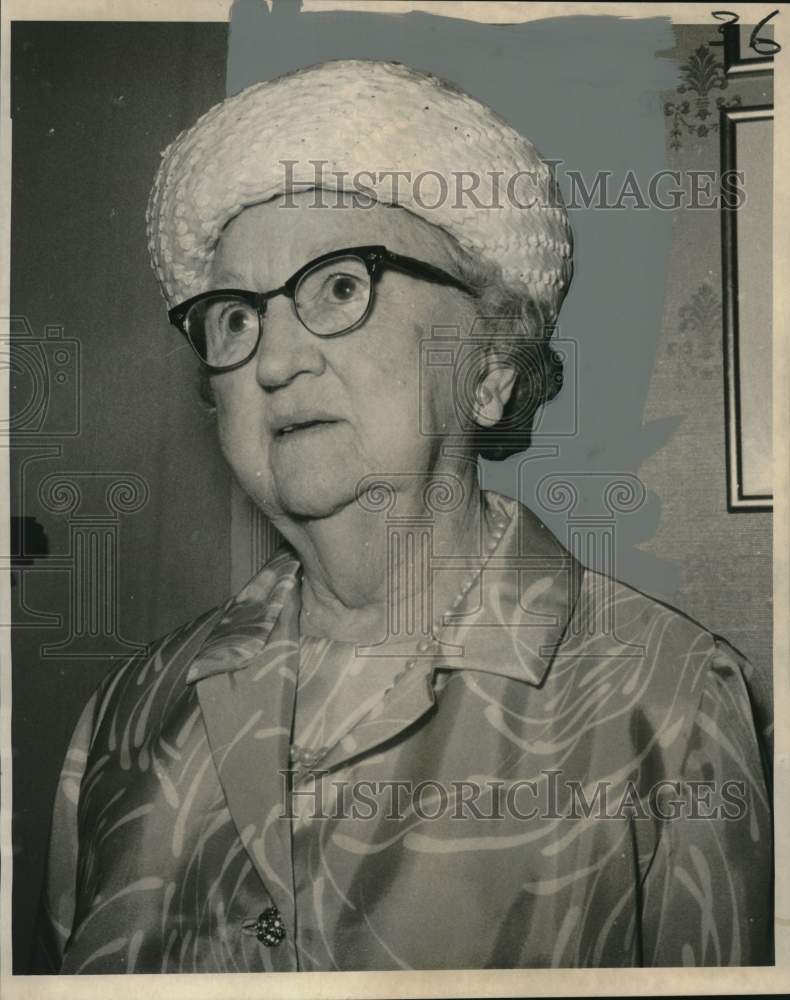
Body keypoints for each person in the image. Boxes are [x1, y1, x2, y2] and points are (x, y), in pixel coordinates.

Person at [35, 59, 771, 973]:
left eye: (339, 288)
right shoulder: (132, 707)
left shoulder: (669, 706)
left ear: (490, 366)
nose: (274, 363)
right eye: (234, 317)